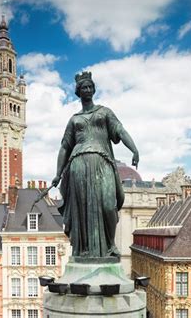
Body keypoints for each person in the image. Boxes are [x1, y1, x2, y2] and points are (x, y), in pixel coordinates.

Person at [52, 71, 139, 258]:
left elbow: (121, 131)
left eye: (90, 86)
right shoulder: (74, 120)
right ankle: (83, 249)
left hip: (102, 162)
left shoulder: (105, 112)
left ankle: (110, 245)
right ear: (78, 91)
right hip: (78, 165)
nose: (88, 90)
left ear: (94, 89)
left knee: (109, 205)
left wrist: (134, 149)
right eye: (84, 87)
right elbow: (64, 147)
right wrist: (58, 174)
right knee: (82, 210)